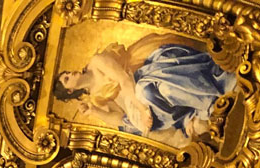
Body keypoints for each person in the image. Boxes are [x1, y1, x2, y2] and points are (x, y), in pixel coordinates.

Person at [54, 34, 236, 140]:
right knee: (145, 110)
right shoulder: (95, 97)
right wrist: (94, 111)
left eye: (67, 72)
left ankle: (209, 102)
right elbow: (120, 119)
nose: (72, 73)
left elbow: (125, 80)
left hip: (140, 80)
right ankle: (189, 114)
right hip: (143, 109)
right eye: (67, 78)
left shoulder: (96, 62)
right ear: (70, 91)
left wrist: (142, 109)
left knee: (148, 91)